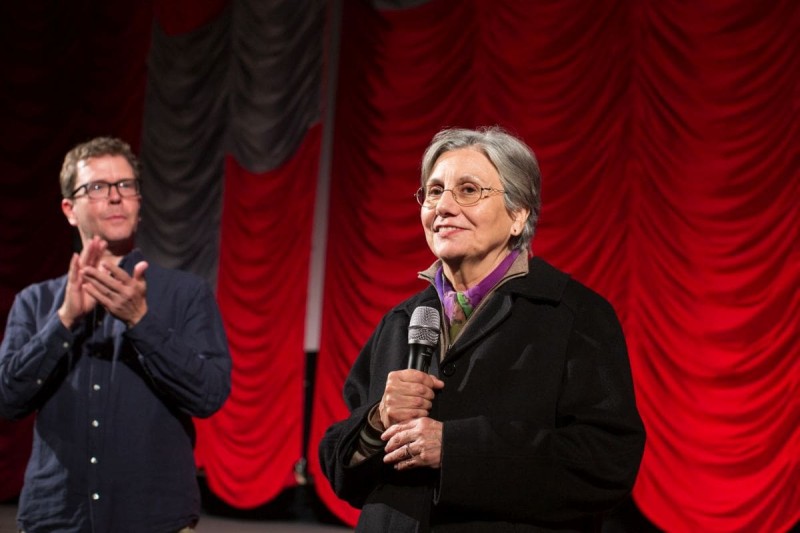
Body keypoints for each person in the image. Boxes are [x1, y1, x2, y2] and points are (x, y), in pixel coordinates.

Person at [319, 126, 646, 532]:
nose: (443, 206)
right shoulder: (402, 321)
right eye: (434, 191)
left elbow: (606, 463)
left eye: (469, 190)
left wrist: (456, 450)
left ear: (518, 214)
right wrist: (376, 421)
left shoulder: (573, 314)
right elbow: (339, 469)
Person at [0, 137, 232, 533]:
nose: (115, 197)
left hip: (155, 518)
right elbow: (7, 399)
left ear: (139, 205)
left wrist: (140, 320)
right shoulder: (35, 301)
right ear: (69, 210)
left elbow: (208, 394)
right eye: (97, 187)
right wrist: (64, 320)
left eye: (126, 186)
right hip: (56, 518)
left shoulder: (185, 293)